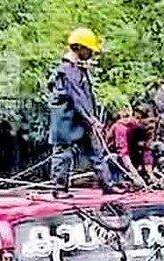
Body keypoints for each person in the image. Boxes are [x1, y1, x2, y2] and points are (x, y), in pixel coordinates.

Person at [47, 27, 121, 197]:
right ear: (78, 48)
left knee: (96, 153)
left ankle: (107, 185)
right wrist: (91, 119)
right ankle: (59, 189)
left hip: (81, 120)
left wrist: (90, 118)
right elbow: (77, 98)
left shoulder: (78, 70)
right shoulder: (67, 71)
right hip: (66, 120)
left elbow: (85, 98)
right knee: (63, 154)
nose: (92, 54)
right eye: (89, 50)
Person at [106, 104, 155, 188]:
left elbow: (147, 151)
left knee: (156, 149)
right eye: (149, 122)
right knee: (112, 158)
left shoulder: (148, 129)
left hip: (132, 154)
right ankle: (116, 181)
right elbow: (123, 154)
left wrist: (151, 174)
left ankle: (146, 176)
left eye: (153, 122)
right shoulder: (121, 128)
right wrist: (136, 176)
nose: (152, 126)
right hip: (118, 158)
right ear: (138, 119)